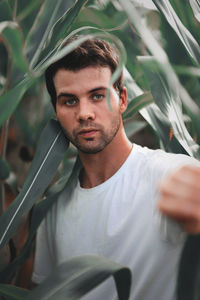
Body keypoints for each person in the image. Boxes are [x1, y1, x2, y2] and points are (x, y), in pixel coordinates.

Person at [32, 36, 200, 299]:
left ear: (122, 99)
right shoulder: (51, 207)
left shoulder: (165, 176)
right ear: (56, 110)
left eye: (97, 95)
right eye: (69, 101)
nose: (85, 113)